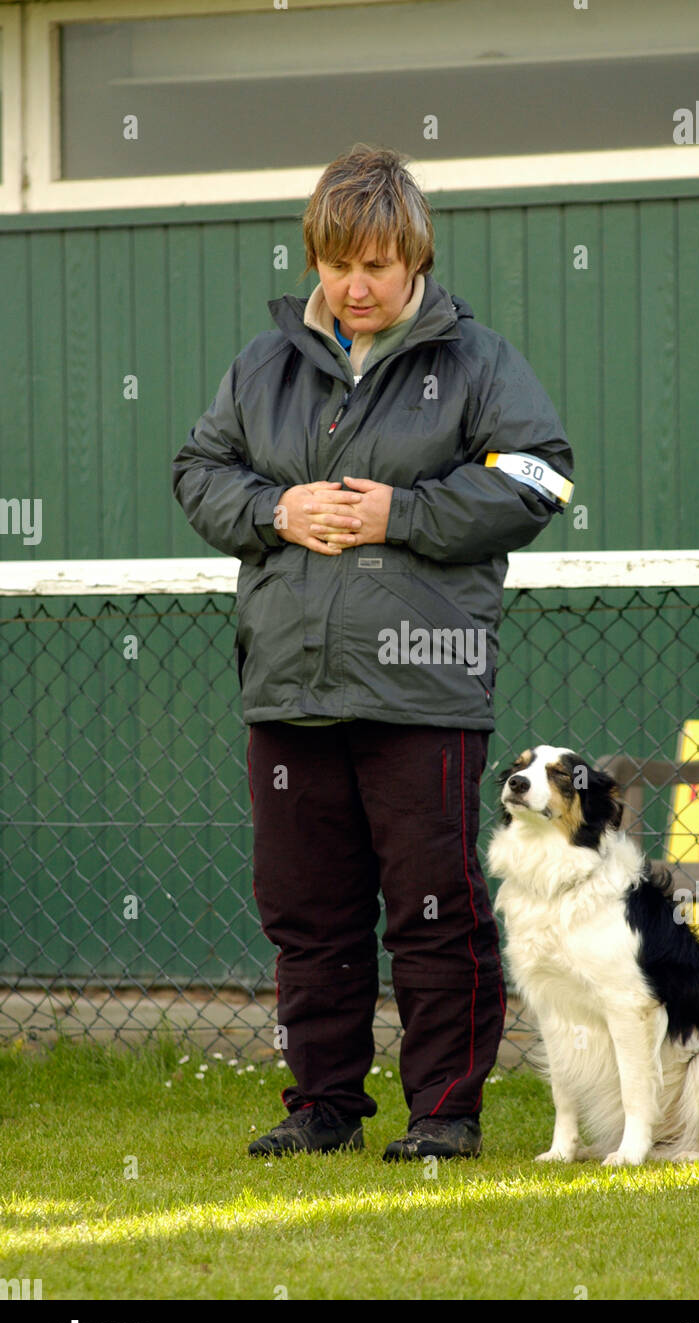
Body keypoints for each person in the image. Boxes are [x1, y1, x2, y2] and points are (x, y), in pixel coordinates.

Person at [171, 143, 574, 1161]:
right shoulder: (261, 365)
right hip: (288, 688)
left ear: (416, 258)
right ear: (315, 256)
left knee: (436, 913)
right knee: (310, 915)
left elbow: (542, 478)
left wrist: (407, 511)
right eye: (337, 263)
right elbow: (196, 468)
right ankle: (324, 1109)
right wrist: (274, 507)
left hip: (423, 686)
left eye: (377, 265)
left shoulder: (480, 362)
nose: (355, 286)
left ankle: (444, 1113)